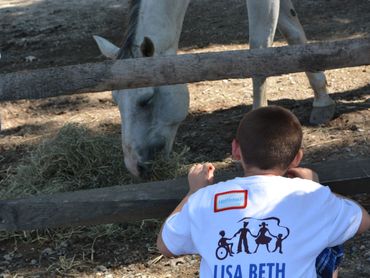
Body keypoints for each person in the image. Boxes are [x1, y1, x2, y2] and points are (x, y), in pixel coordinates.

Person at [157, 106, 370, 278]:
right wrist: (314, 186)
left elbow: (166, 245)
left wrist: (194, 191)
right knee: (329, 238)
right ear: (297, 158)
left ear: (235, 150)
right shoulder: (310, 195)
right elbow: (362, 220)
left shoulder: (204, 199)